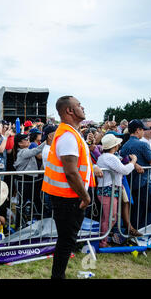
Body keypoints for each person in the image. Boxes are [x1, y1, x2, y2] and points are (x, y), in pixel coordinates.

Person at [41, 96, 103, 279]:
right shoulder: (68, 136)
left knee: (66, 240)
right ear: (69, 110)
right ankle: (58, 276)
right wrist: (85, 197)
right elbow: (71, 172)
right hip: (68, 197)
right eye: (78, 105)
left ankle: (58, 275)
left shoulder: (71, 133)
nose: (82, 107)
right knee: (66, 241)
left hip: (68, 196)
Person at [96, 134, 140, 248]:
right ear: (114, 146)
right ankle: (103, 242)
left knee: (108, 217)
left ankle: (103, 240)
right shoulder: (110, 158)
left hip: (108, 190)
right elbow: (125, 170)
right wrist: (133, 161)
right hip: (108, 190)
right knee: (111, 217)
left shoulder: (103, 157)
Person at [120, 119, 151, 229]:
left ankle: (136, 232)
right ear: (138, 130)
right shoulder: (142, 145)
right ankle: (144, 232)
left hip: (131, 183)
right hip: (144, 182)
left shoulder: (125, 145)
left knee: (138, 210)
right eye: (143, 130)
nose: (144, 132)